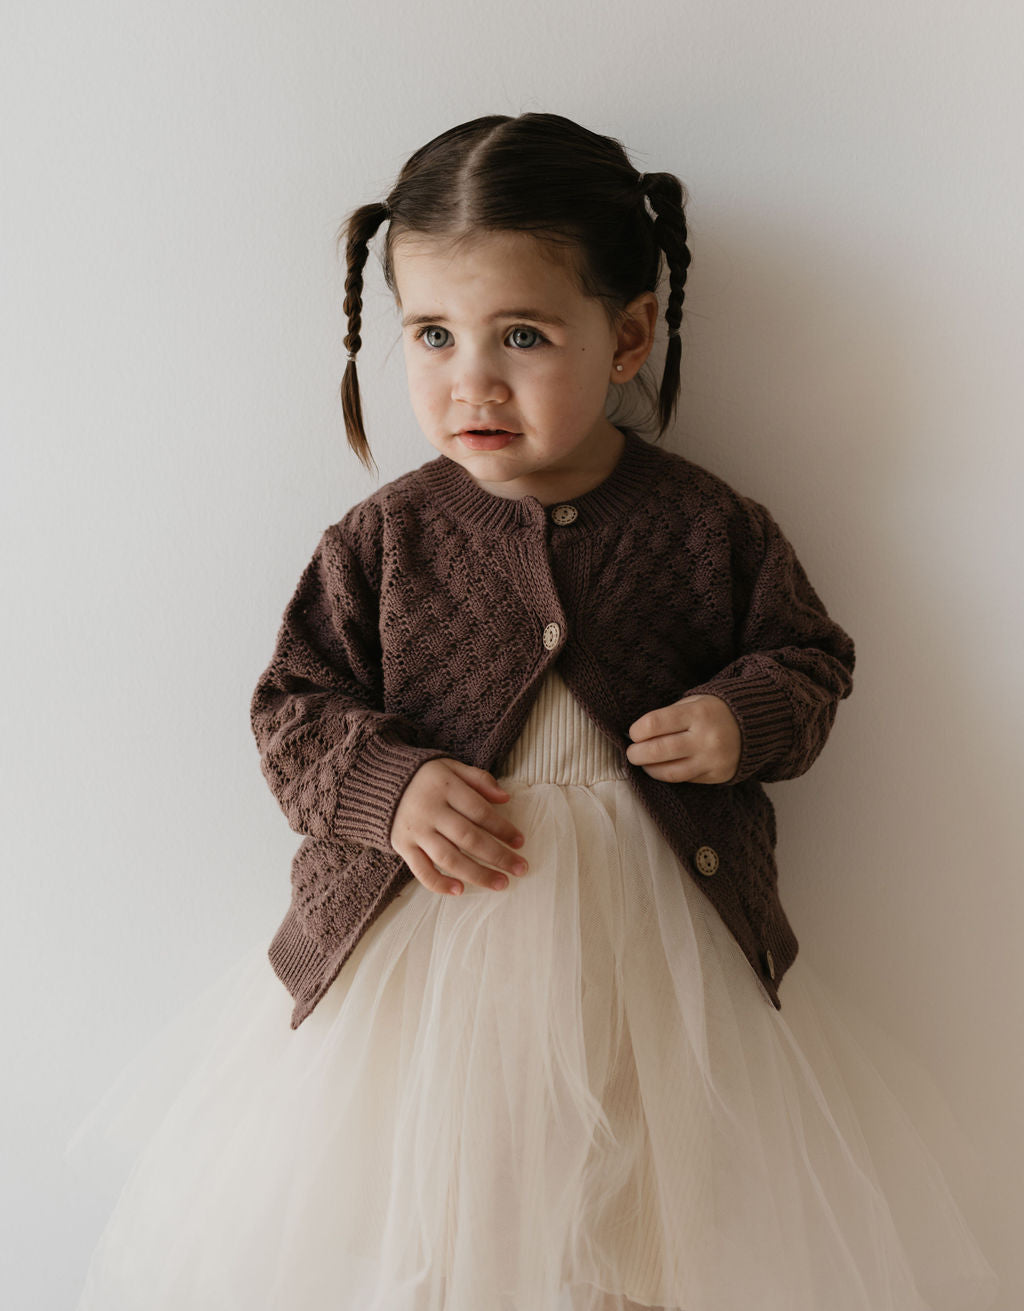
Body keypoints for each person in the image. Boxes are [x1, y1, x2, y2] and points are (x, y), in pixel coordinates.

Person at [66, 112, 1000, 1311]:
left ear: (628, 335)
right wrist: (387, 785)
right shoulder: (389, 535)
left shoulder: (705, 525)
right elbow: (293, 705)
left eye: (522, 334)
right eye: (433, 335)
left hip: (655, 952)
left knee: (642, 1225)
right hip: (439, 942)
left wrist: (738, 717)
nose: (472, 380)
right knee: (448, 1228)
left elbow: (808, 657)